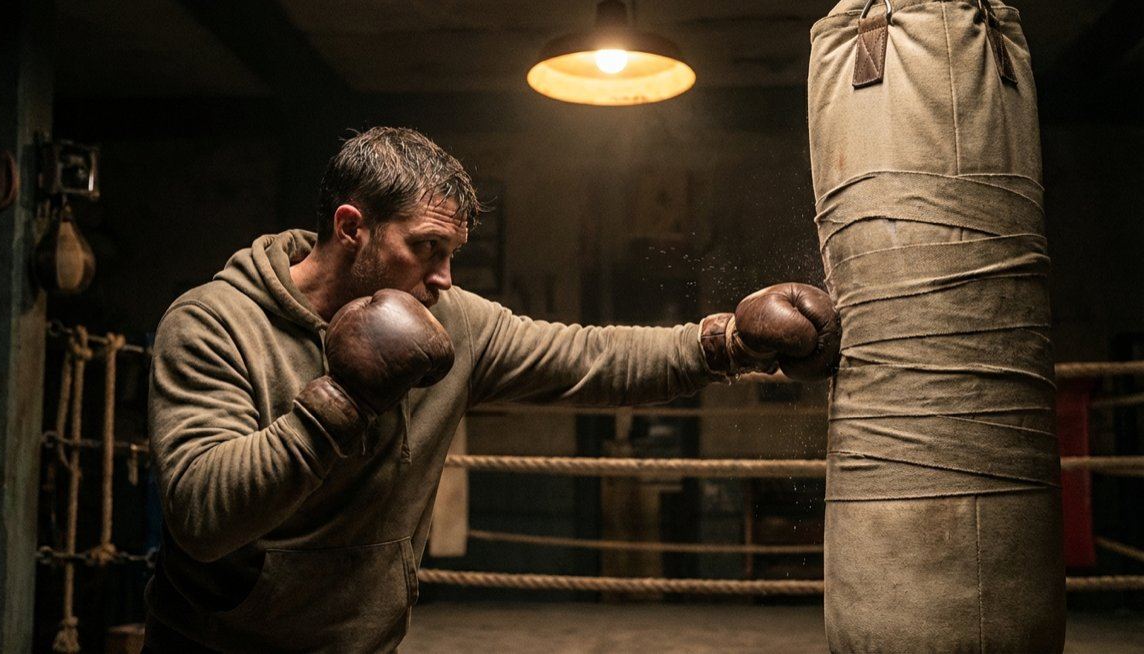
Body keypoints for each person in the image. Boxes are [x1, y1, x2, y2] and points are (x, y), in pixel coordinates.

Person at [143, 127, 839, 652]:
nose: (444, 279)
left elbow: (589, 358)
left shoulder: (454, 322)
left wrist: (727, 344)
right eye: (427, 249)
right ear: (352, 227)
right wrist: (342, 399)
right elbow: (202, 518)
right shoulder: (214, 323)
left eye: (453, 255)